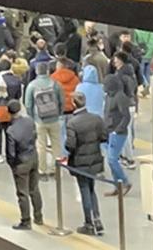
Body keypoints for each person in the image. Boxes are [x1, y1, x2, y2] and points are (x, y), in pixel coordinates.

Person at [66, 92, 107, 236]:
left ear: (73, 103)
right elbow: (104, 137)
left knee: (84, 190)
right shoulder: (96, 119)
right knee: (91, 189)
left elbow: (70, 145)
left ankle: (89, 223)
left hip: (80, 162)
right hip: (95, 159)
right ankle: (97, 218)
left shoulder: (72, 122)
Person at [5, 100, 43, 229]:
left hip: (21, 163)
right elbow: (35, 136)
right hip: (33, 157)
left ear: (9, 112)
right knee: (34, 189)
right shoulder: (29, 121)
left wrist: (13, 165)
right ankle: (39, 216)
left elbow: (10, 153)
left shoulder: (11, 130)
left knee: (22, 193)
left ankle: (26, 221)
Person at [24, 62, 63, 179]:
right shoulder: (55, 84)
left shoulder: (32, 85)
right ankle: (56, 170)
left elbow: (28, 104)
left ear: (36, 71)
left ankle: (42, 171)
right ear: (47, 71)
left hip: (39, 120)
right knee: (56, 145)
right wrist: (59, 113)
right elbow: (62, 101)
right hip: (54, 119)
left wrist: (32, 117)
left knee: (41, 145)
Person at [103, 74, 132, 197]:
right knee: (111, 160)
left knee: (112, 159)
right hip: (109, 131)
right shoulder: (109, 96)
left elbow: (126, 116)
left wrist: (118, 130)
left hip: (117, 133)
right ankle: (117, 185)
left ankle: (125, 182)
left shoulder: (120, 97)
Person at [0, 59, 22, 163]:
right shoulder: (17, 79)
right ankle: (11, 154)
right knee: (10, 133)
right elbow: (19, 95)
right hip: (13, 108)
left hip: (1, 108)